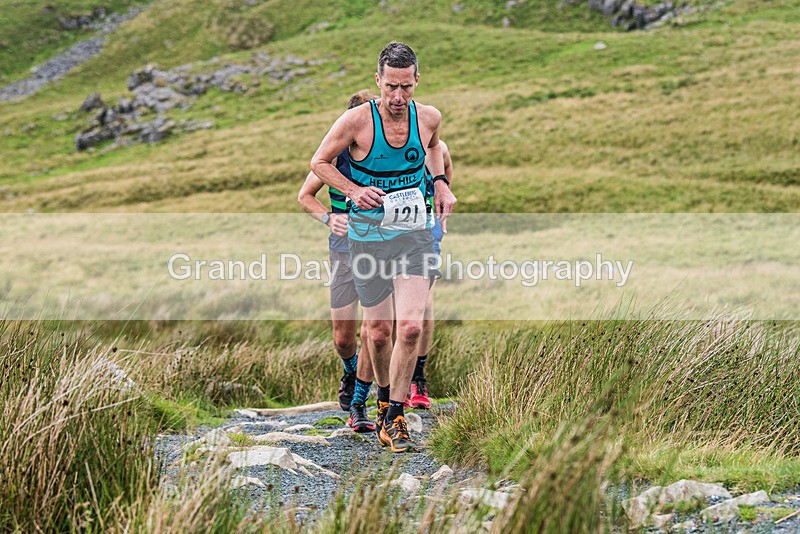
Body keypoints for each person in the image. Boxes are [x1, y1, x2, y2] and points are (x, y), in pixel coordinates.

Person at [310, 41, 457, 453]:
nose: (397, 97)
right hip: (368, 241)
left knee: (410, 326)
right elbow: (319, 163)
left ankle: (394, 417)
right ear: (378, 81)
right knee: (377, 333)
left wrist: (441, 184)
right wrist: (354, 191)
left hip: (412, 236)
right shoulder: (355, 122)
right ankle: (379, 400)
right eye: (390, 86)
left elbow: (431, 151)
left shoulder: (429, 118)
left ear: (416, 81)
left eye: (406, 87)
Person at [297, 90, 380, 433]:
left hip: (379, 249)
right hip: (343, 249)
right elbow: (304, 196)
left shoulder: (384, 156)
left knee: (372, 331)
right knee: (343, 338)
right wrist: (329, 219)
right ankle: (350, 373)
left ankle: (360, 403)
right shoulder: (334, 158)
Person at [406, 140, 453, 410]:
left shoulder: (439, 148)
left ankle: (418, 377)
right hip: (391, 232)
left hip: (426, 230)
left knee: (423, 306)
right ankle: (392, 379)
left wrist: (442, 201)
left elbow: (445, 172)